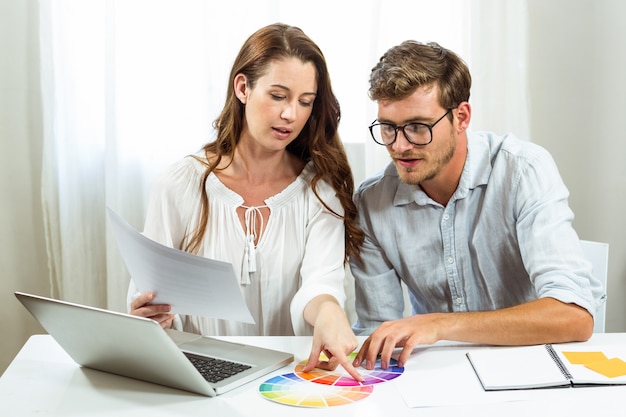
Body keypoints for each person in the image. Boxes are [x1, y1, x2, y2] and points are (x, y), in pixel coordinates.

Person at [350, 40, 606, 371]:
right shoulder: (371, 202)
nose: (400, 146)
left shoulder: (522, 170)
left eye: (417, 127)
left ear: (461, 117)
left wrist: (439, 325)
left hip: (536, 365)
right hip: (442, 374)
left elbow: (573, 317)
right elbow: (377, 331)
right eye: (388, 127)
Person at [127, 23, 364, 380]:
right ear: (243, 88)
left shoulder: (319, 190)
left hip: (287, 379)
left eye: (305, 102)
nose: (291, 115)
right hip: (194, 377)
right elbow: (149, 292)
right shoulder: (178, 184)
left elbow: (320, 285)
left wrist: (330, 313)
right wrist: (150, 315)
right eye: (278, 95)